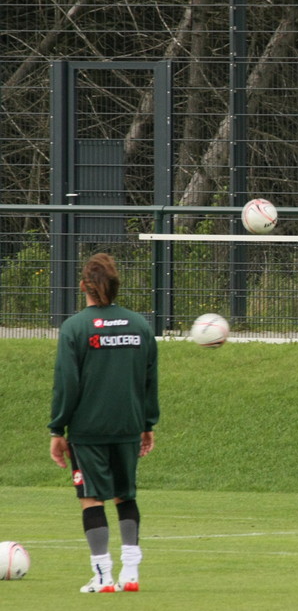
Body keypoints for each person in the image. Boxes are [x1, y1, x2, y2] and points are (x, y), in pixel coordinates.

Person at [48, 253, 159, 594]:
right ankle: (131, 573)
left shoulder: (75, 327)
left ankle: (102, 576)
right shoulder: (140, 325)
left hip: (88, 430)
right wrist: (147, 423)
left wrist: (57, 428)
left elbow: (67, 382)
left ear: (84, 286)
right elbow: (148, 379)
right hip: (127, 425)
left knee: (91, 498)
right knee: (126, 496)